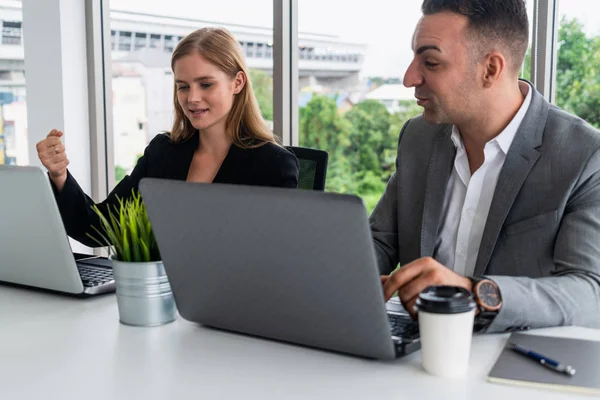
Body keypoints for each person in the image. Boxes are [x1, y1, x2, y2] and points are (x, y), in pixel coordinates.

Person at [371, 0, 600, 333]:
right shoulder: (418, 137)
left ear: (491, 69)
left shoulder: (584, 155)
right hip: (415, 352)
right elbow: (379, 241)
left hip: (513, 362)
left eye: (431, 62)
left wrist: (474, 293)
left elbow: (589, 292)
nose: (410, 78)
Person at [36, 27, 299, 247]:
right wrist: (59, 175)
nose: (192, 98)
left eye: (206, 84)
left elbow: (273, 261)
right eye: (183, 87)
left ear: (237, 83)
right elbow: (99, 228)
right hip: (160, 298)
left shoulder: (273, 165)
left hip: (232, 305)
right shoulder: (163, 152)